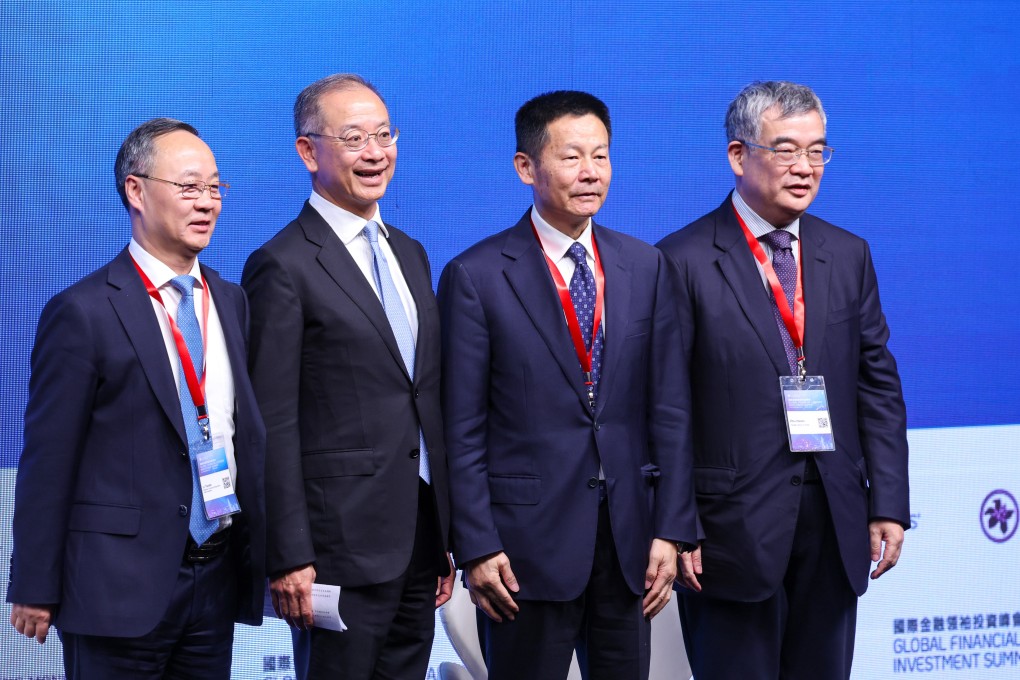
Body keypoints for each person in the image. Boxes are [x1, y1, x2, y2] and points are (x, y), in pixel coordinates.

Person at [438, 90, 698, 680]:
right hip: (522, 552)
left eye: (601, 157)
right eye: (572, 157)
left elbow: (671, 408)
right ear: (526, 167)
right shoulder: (476, 276)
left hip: (629, 545)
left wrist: (674, 529)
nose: (590, 173)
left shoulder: (645, 265)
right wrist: (475, 545)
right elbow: (462, 426)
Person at [656, 80, 910, 679]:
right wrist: (676, 521)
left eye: (818, 151)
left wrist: (889, 504)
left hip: (834, 516)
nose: (805, 168)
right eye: (786, 149)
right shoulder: (680, 259)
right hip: (728, 528)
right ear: (739, 156)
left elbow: (878, 385)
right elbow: (666, 407)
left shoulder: (848, 254)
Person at [6, 117, 267, 678]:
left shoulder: (230, 300)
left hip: (215, 575)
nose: (208, 203)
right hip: (116, 585)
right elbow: (48, 461)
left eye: (215, 188)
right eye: (190, 187)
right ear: (136, 190)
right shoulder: (84, 311)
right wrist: (32, 582)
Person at [241, 73, 453, 680]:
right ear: (308, 151)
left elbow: (420, 395)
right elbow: (271, 422)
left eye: (384, 135)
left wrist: (444, 533)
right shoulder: (281, 265)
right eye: (354, 138)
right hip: (335, 551)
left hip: (417, 540)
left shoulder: (408, 251)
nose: (375, 153)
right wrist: (288, 555)